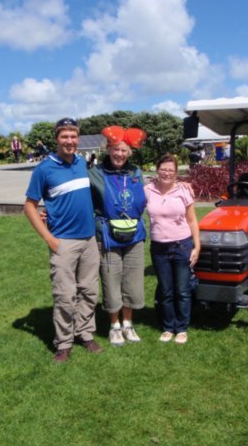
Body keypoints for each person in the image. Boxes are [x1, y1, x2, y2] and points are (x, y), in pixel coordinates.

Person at [24, 117, 102, 363]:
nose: (69, 141)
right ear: (57, 139)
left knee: (89, 292)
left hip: (89, 239)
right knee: (65, 295)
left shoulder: (81, 163)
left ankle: (85, 334)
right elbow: (29, 206)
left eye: (73, 136)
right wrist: (49, 239)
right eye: (64, 136)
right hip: (63, 242)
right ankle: (64, 343)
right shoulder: (44, 169)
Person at [88, 126, 147, 347]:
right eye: (116, 149)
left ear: (129, 152)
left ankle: (128, 323)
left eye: (124, 150)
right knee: (111, 278)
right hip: (107, 235)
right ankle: (114, 326)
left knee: (132, 280)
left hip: (134, 235)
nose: (120, 154)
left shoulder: (136, 173)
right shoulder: (94, 173)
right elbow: (80, 199)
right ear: (108, 149)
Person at [145, 154, 200, 345]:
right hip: (159, 247)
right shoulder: (147, 190)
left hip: (182, 246)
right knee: (166, 291)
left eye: (170, 170)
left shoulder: (184, 191)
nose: (166, 173)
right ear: (157, 170)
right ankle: (169, 327)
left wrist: (197, 247)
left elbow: (192, 220)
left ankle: (182, 328)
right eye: (163, 169)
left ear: (176, 173)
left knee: (182, 290)